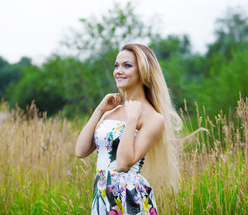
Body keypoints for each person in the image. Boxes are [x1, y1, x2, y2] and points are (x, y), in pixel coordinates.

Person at [75, 43, 182, 215]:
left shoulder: (153, 118)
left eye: (127, 66)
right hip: (102, 195)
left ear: (143, 72)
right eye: (116, 65)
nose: (118, 71)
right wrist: (99, 110)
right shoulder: (111, 111)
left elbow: (123, 163)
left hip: (128, 199)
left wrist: (132, 118)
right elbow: (80, 151)